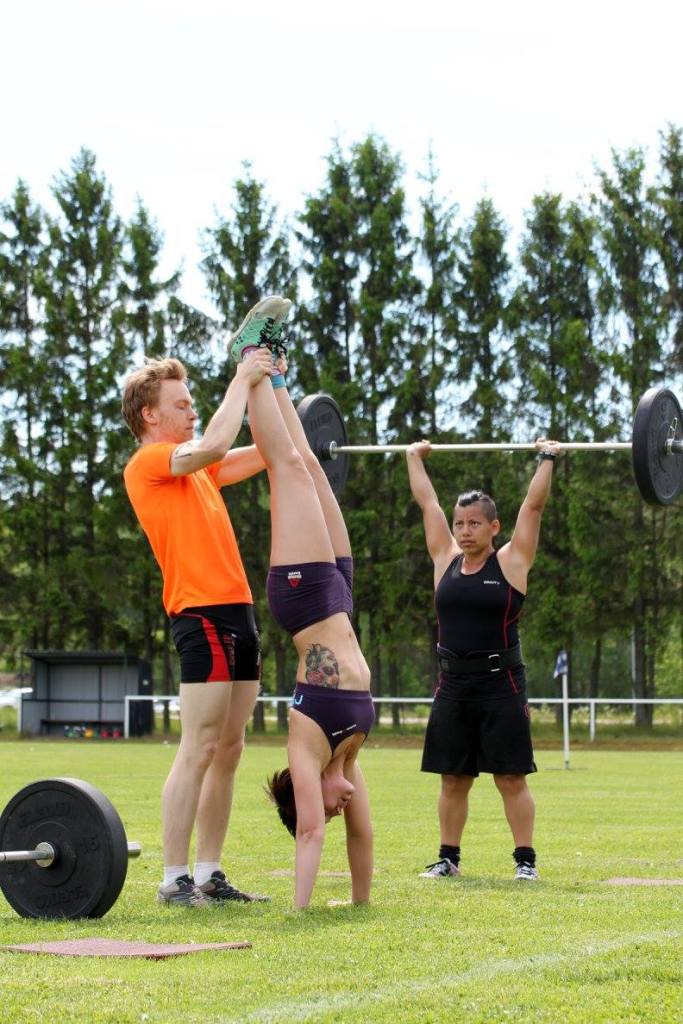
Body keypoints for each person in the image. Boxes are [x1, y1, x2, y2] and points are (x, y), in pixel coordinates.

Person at [121, 295, 291, 907]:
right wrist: (242, 377)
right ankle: (173, 880)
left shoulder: (198, 470)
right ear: (149, 415)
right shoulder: (150, 464)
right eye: (181, 404)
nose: (192, 412)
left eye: (194, 402)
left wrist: (270, 392)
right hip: (199, 615)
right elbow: (218, 442)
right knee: (198, 747)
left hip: (239, 613)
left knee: (231, 748)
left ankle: (210, 873)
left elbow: (267, 454)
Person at [230, 299, 374, 911]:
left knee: (285, 467)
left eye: (325, 803)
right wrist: (362, 905)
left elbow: (313, 831)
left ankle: (250, 361)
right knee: (311, 465)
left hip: (301, 594)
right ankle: (280, 376)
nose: (342, 811)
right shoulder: (351, 751)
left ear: (307, 791)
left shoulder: (308, 748)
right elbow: (363, 834)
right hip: (336, 592)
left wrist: (300, 910)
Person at [406, 439, 561, 882]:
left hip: (501, 684)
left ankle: (525, 863)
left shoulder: (512, 561)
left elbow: (532, 508)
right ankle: (448, 859)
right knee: (453, 777)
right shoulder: (445, 560)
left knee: (510, 778)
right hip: (452, 685)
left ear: (494, 527)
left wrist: (546, 458)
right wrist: (413, 458)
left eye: (475, 523)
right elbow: (427, 503)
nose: (464, 530)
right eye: (460, 523)